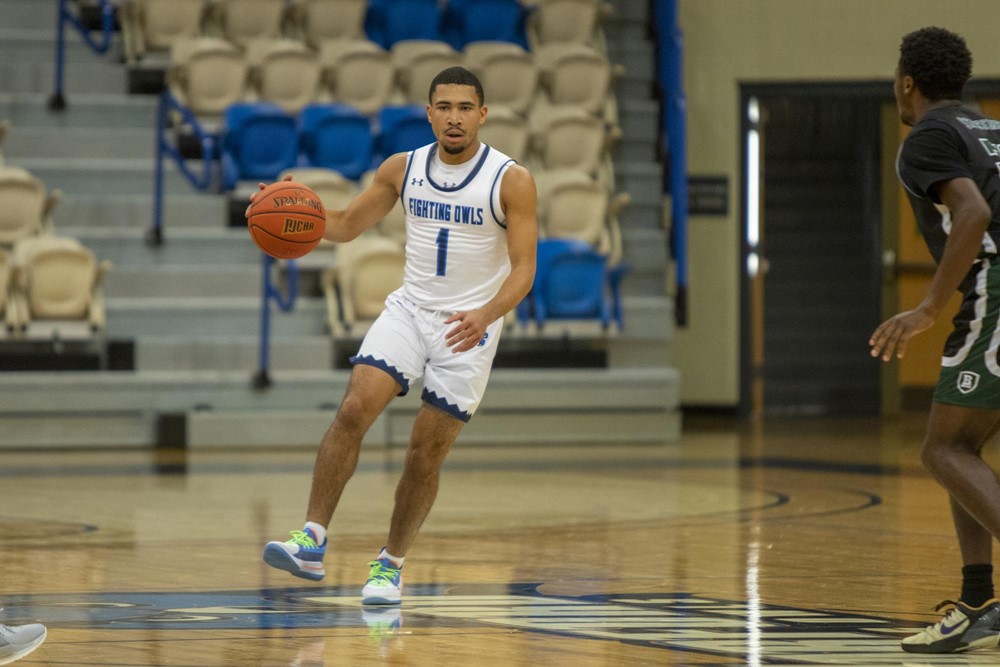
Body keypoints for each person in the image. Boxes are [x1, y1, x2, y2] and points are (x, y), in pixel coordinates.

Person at [258, 66, 538, 605]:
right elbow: (343, 225)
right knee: (353, 409)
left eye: (464, 107)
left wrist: (485, 313)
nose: (453, 117)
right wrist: (293, 215)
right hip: (410, 311)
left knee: (422, 455)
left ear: (482, 114)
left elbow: (524, 271)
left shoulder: (511, 179)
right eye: (443, 106)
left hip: (469, 327)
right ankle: (310, 540)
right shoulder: (401, 168)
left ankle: (389, 565)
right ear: (428, 112)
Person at [870, 27, 1000, 654]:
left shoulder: (928, 136)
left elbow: (972, 214)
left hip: (993, 291)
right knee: (962, 448)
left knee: (943, 451)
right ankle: (978, 600)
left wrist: (927, 305)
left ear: (907, 83)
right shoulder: (991, 128)